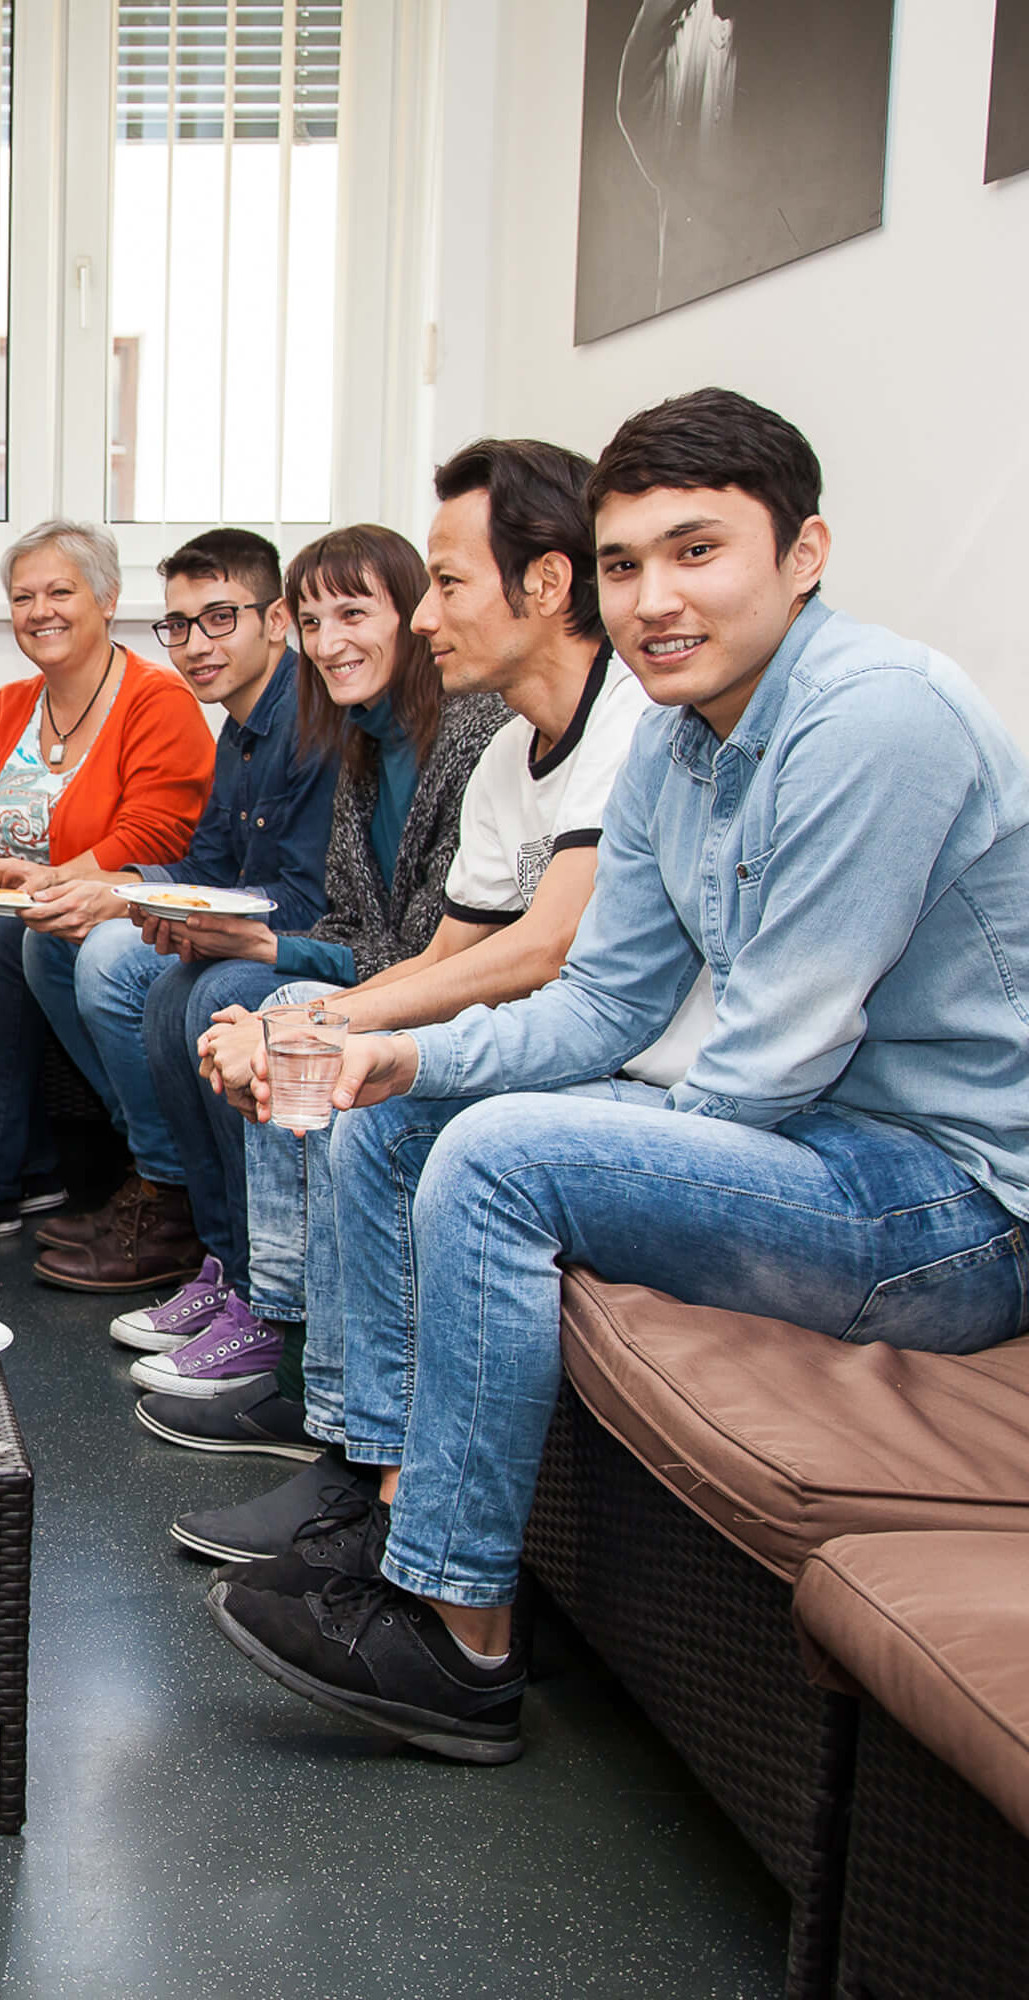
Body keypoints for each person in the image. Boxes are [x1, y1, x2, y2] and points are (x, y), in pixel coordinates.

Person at [206, 389, 1029, 1766]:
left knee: (500, 1158)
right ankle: (378, 1500)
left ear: (802, 554)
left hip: (945, 1211)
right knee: (404, 1119)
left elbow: (759, 1067)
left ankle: (453, 1634)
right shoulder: (672, 737)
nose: (651, 598)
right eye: (622, 563)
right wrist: (395, 1054)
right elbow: (600, 1000)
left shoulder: (872, 719)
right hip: (808, 1142)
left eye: (694, 552)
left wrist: (559, 1141)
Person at [152, 440, 712, 1550]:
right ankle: (352, 1457)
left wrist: (326, 1019)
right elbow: (450, 950)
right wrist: (299, 1021)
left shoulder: (631, 728)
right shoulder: (514, 756)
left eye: (444, 585)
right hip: (582, 1046)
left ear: (546, 586)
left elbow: (541, 953)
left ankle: (375, 1482)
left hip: (642, 1070)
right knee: (347, 1086)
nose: (419, 618)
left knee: (385, 1115)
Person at [96, 526, 507, 1358]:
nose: (328, 642)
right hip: (368, 967)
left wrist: (260, 952)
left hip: (446, 995)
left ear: (416, 615)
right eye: (315, 622)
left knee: (218, 993)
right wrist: (223, 934)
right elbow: (354, 920)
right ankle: (229, 1265)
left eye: (352, 614)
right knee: (180, 986)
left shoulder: (466, 737)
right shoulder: (356, 738)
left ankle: (271, 1308)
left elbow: (427, 948)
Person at [14, 528, 335, 1289]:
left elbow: (303, 902)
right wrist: (109, 891)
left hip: (294, 943)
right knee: (53, 939)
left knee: (106, 959)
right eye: (179, 626)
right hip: (246, 918)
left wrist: (133, 903)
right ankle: (157, 1173)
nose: (194, 645)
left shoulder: (310, 722)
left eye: (219, 618)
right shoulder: (241, 725)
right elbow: (208, 867)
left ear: (278, 619)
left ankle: (173, 1196)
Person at [0, 520, 215, 1239]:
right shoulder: (9, 705)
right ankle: (34, 1166)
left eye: (59, 591)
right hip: (12, 905)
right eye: (23, 597)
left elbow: (152, 838)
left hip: (106, 907)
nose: (39, 610)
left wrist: (31, 892)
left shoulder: (156, 700)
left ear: (106, 599)